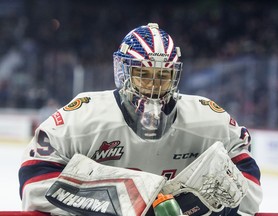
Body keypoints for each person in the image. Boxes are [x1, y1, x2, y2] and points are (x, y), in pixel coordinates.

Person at [18, 23, 262, 215]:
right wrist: (128, 202)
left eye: (163, 76)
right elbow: (34, 180)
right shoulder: (85, 118)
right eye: (144, 74)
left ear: (175, 76)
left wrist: (194, 207)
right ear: (123, 72)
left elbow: (248, 183)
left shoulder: (207, 119)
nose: (154, 86)